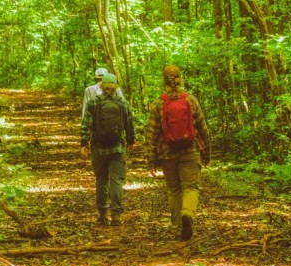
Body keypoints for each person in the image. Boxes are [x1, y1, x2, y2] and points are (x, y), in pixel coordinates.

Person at [145, 65, 211, 240]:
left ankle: (177, 225)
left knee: (174, 189)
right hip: (191, 149)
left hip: (168, 153)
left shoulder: (158, 103)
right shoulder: (190, 100)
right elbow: (203, 127)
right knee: (190, 187)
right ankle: (188, 213)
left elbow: (151, 133)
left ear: (164, 81)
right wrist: (207, 152)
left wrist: (151, 159)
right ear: (181, 79)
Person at [80, 73, 135, 226]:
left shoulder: (93, 103)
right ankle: (116, 215)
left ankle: (102, 214)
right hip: (117, 147)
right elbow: (129, 124)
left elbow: (86, 125)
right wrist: (131, 140)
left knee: (101, 180)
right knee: (116, 180)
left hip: (98, 148)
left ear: (102, 86)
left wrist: (84, 143)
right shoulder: (123, 103)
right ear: (116, 86)